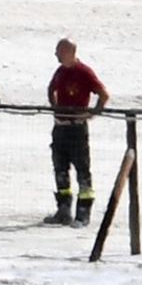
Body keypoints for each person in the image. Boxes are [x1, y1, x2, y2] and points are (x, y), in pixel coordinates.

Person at [43, 38, 109, 228]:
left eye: (59, 51)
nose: (56, 54)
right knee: (60, 169)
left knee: (82, 170)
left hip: (77, 128)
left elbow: (104, 94)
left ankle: (83, 213)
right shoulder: (60, 71)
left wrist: (93, 113)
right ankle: (63, 210)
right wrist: (55, 107)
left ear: (70, 51)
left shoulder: (84, 72)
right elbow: (51, 89)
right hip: (60, 128)